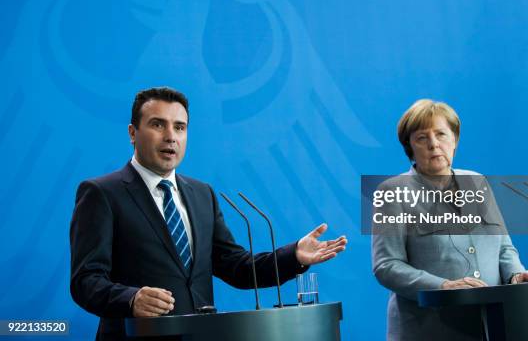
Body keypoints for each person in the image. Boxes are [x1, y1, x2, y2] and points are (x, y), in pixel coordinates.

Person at [70, 87, 347, 340]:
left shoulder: (202, 195)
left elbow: (237, 268)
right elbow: (85, 281)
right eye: (158, 125)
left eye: (180, 127)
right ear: (133, 132)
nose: (170, 136)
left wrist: (294, 255)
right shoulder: (102, 193)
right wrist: (131, 299)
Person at [371, 99, 528, 341]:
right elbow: (386, 266)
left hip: (491, 326)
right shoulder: (392, 192)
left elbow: (503, 247)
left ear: (454, 140)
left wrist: (515, 274)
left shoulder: (477, 182)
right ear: (409, 147)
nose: (434, 144)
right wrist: (442, 286)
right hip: (428, 329)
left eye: (441, 134)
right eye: (422, 138)